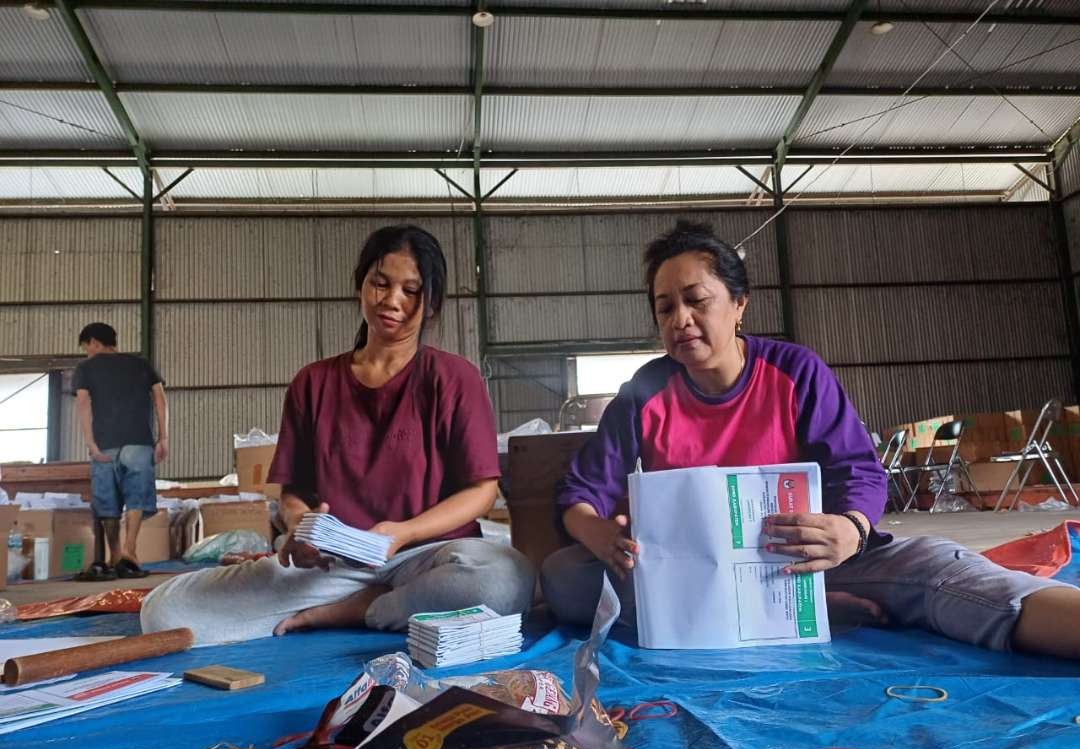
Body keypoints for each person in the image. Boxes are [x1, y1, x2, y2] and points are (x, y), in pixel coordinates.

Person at [541, 220, 1080, 659]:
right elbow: (581, 491)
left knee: (941, 570)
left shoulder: (795, 371)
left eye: (696, 300)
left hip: (807, 559)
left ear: (739, 304)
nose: (680, 319)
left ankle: (811, 597)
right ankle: (807, 609)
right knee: (566, 577)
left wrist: (850, 528)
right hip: (696, 571)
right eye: (665, 308)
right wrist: (596, 534)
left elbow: (860, 470)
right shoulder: (644, 392)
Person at [141, 225, 535, 645]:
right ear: (361, 285)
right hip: (335, 565)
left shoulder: (455, 378)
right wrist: (302, 527)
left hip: (429, 557)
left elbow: (482, 492)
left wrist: (402, 533)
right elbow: (294, 494)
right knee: (164, 612)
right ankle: (384, 603)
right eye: (380, 284)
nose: (392, 301)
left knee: (506, 580)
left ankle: (364, 608)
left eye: (411, 290)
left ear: (432, 303)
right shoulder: (313, 383)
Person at [73, 322, 168, 580]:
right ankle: (129, 551)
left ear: (93, 342)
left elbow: (83, 404)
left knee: (107, 501)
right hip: (139, 441)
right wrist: (163, 437)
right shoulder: (140, 363)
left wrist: (91, 442)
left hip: (105, 444)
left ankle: (115, 555)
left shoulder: (85, 368)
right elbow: (160, 397)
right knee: (138, 496)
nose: (87, 353)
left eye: (86, 347)